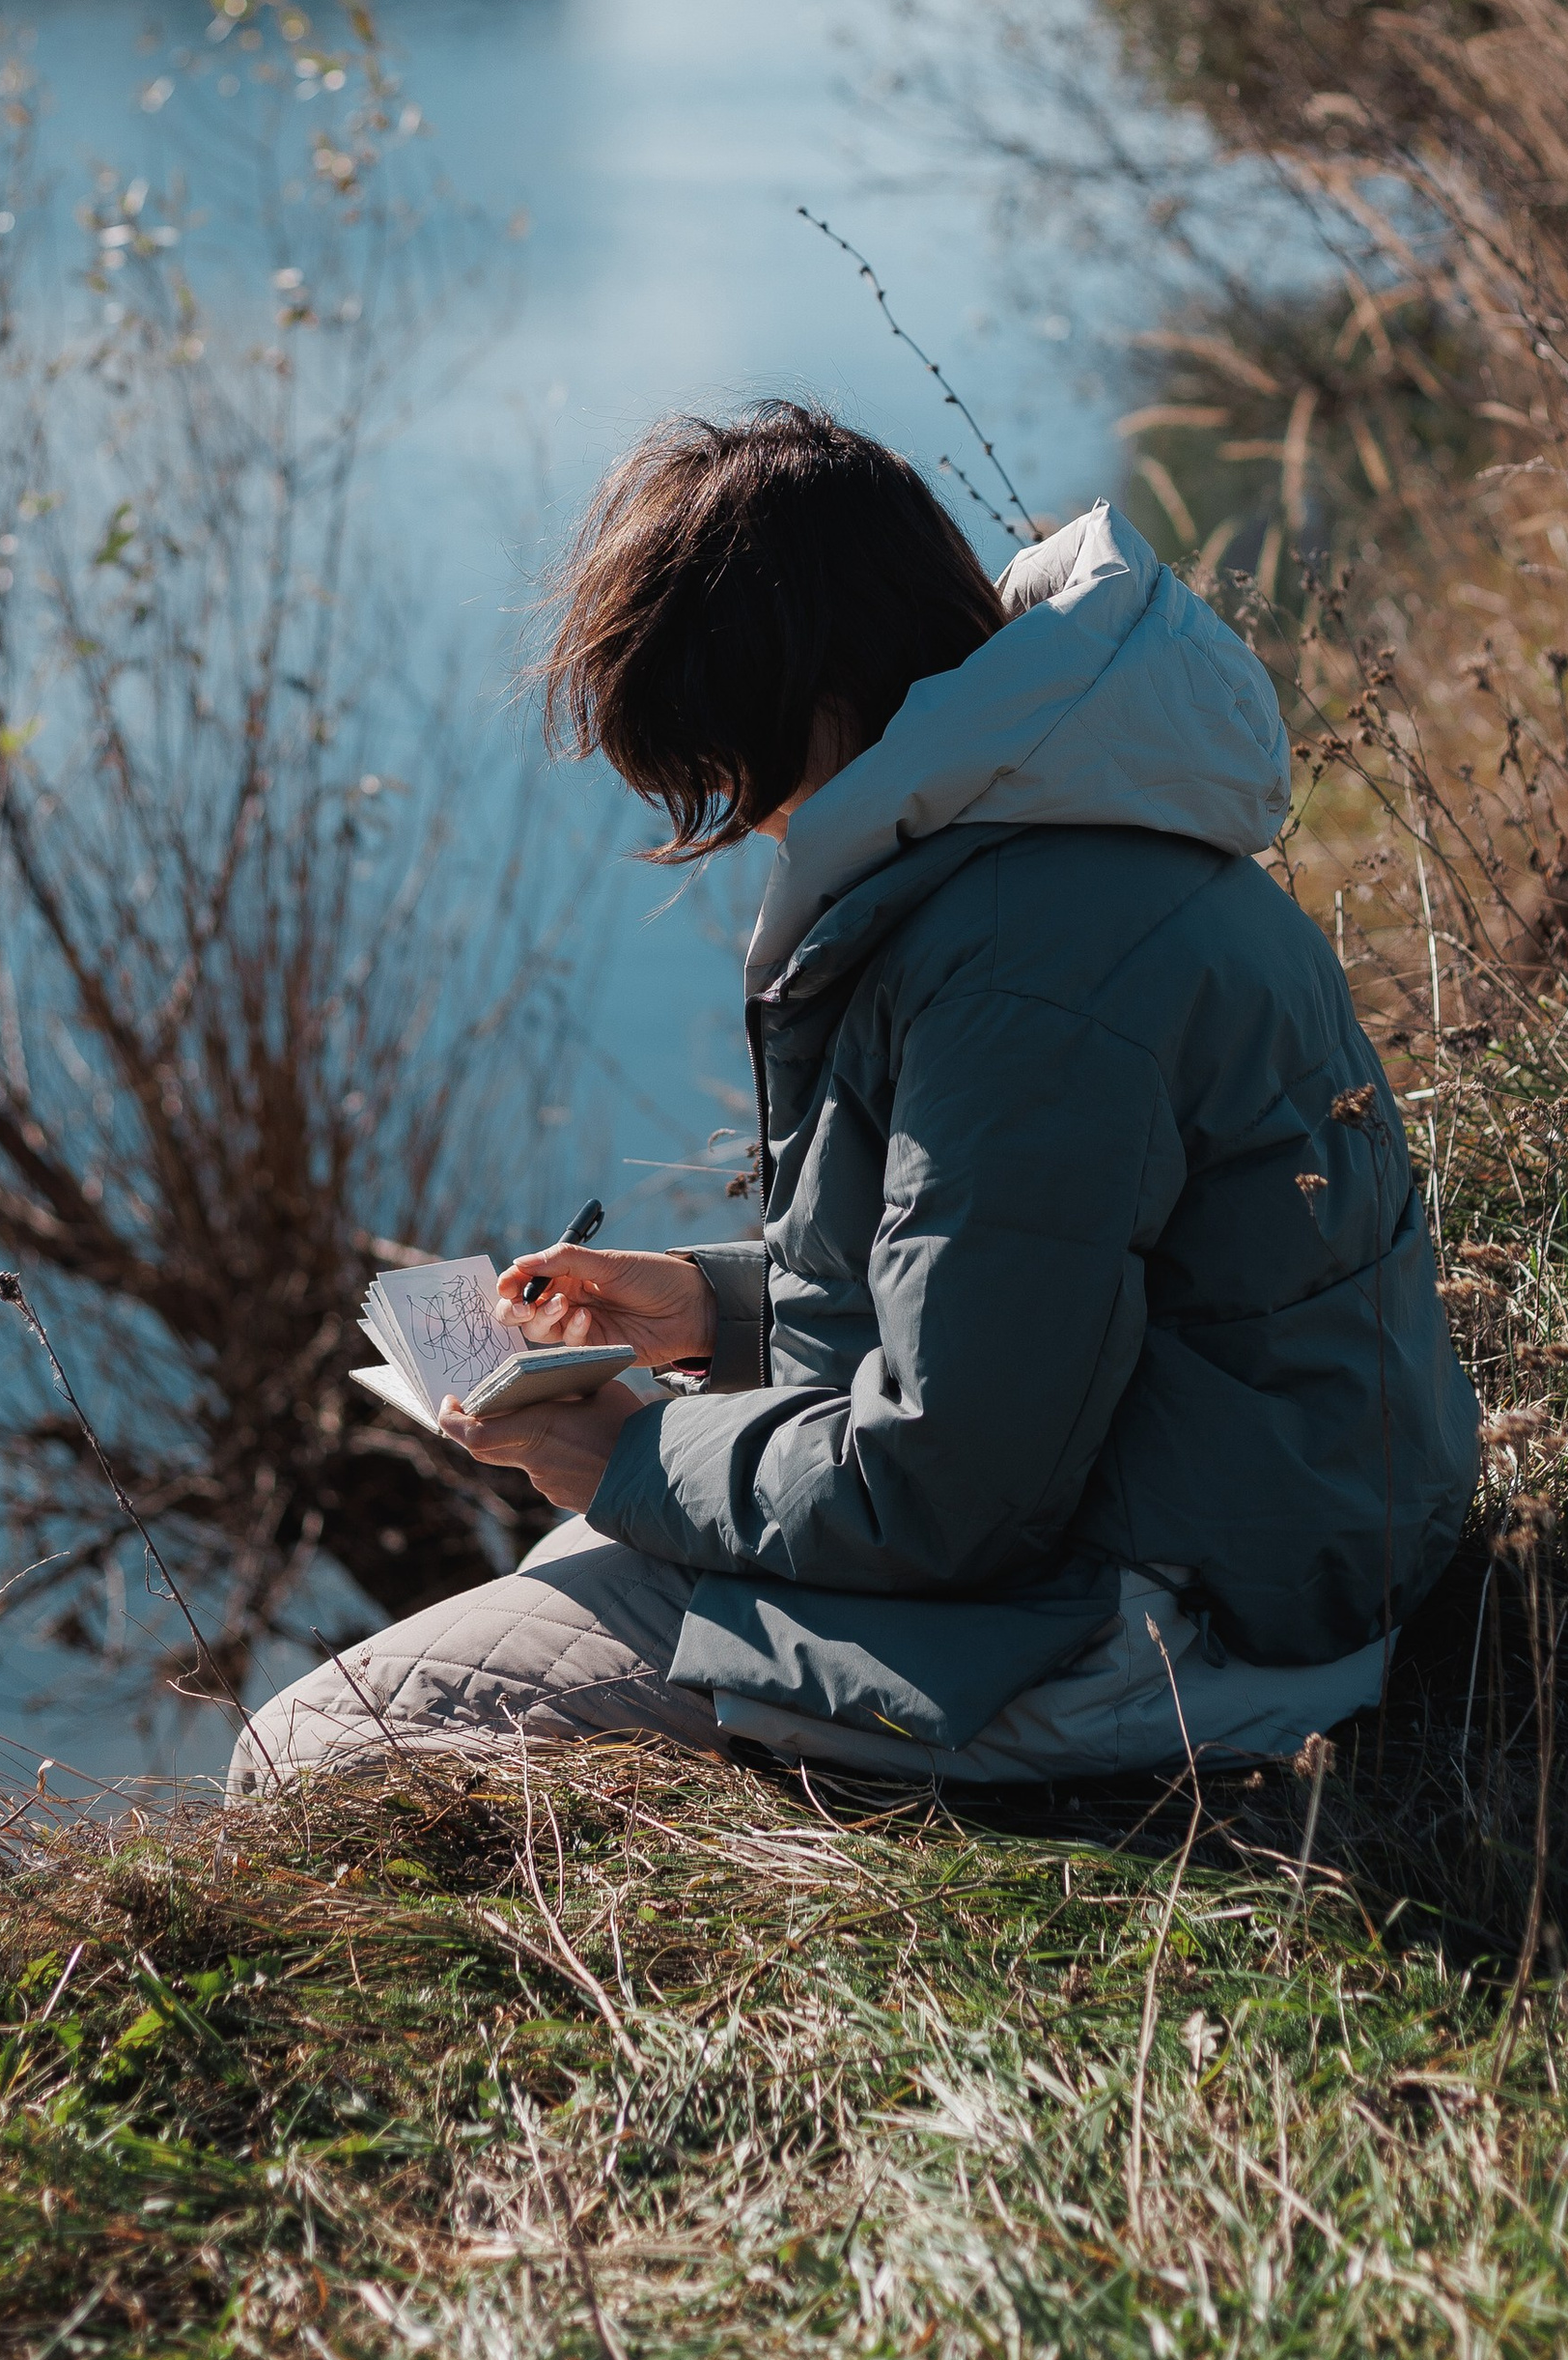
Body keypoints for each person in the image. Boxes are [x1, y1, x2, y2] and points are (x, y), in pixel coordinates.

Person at [233, 404, 1477, 1793]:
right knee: (571, 1562)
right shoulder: (1073, 825)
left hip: (1169, 1631)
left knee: (308, 1751)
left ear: (802, 696)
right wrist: (712, 1310)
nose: (737, 813)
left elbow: (950, 1489)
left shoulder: (1021, 968)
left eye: (718, 759)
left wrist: (630, 1454)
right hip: (1248, 1526)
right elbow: (1029, 1288)